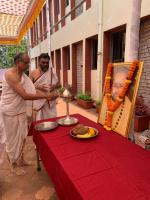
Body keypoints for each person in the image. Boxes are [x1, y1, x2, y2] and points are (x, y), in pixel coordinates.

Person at [0, 53, 58, 175]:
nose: (28, 65)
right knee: (12, 140)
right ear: (17, 62)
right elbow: (25, 95)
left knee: (22, 136)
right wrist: (46, 95)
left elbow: (31, 89)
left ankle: (21, 160)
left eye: (28, 62)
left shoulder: (23, 75)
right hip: (10, 112)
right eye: (25, 63)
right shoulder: (10, 75)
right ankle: (13, 165)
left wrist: (47, 95)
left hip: (20, 109)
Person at [99, 67, 132, 137]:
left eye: (121, 86)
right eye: (115, 85)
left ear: (127, 88)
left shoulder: (129, 107)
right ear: (111, 86)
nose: (117, 89)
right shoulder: (105, 99)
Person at [29, 53, 60, 120]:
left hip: (50, 102)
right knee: (40, 123)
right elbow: (28, 88)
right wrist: (37, 86)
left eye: (47, 63)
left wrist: (54, 86)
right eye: (43, 62)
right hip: (39, 102)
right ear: (38, 62)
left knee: (52, 121)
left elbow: (59, 85)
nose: (45, 64)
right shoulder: (33, 73)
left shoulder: (52, 71)